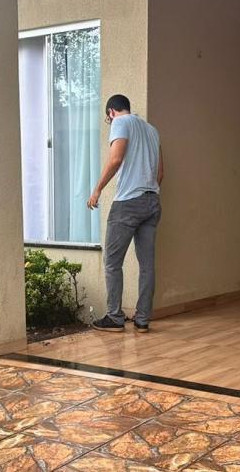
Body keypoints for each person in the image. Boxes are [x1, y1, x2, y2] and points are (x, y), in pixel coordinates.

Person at [87, 94, 163, 333]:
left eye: (108, 118)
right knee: (147, 265)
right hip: (152, 201)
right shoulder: (152, 130)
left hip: (128, 203)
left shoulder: (121, 122)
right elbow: (161, 173)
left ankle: (115, 317)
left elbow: (116, 159)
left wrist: (97, 189)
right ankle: (142, 319)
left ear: (111, 112)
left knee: (111, 262)